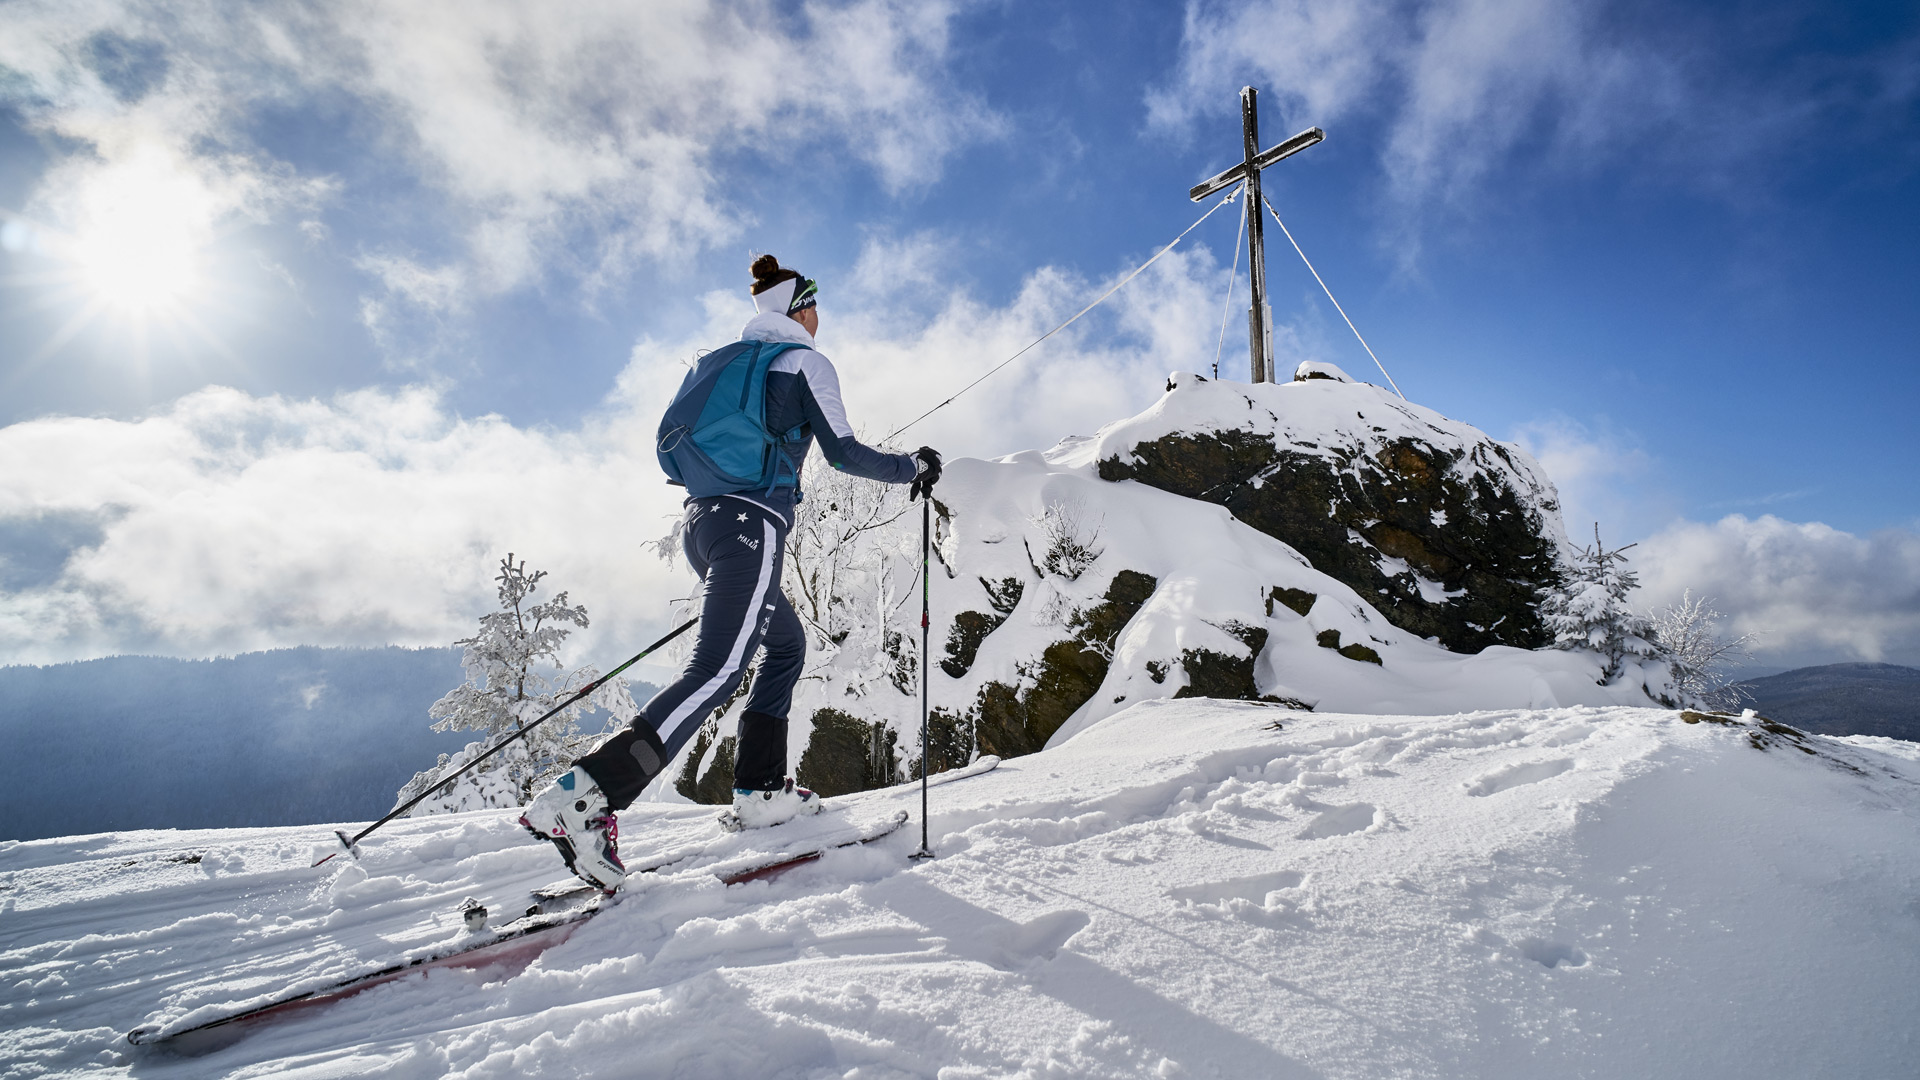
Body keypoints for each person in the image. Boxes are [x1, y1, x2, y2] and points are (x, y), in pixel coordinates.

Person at [520, 254, 942, 890]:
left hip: (705, 525)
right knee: (715, 671)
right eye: (815, 303)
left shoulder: (724, 364)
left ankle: (760, 790)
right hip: (752, 527)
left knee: (786, 647)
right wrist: (914, 466)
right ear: (801, 308)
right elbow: (844, 451)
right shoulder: (805, 362)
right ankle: (585, 799)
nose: (820, 316)